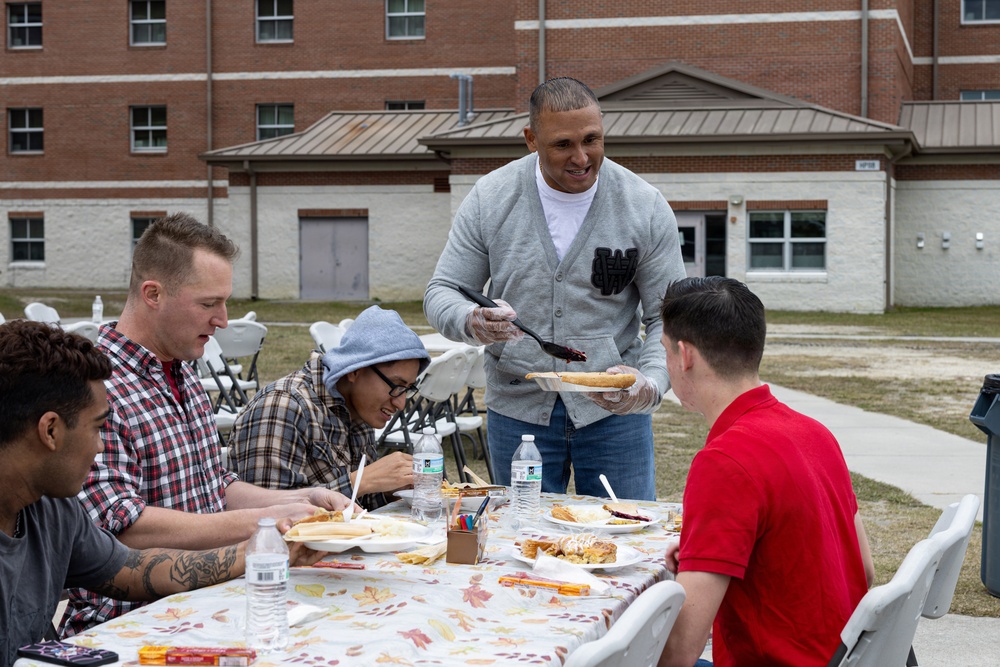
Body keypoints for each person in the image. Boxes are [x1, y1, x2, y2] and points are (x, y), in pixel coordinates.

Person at [63, 213, 353, 636]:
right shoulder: (96, 384)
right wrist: (268, 521)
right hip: (130, 624)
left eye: (224, 301)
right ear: (153, 294)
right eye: (208, 303)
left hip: (210, 601)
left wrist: (302, 498)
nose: (222, 319)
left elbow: (213, 486)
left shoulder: (181, 370)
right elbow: (120, 528)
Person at [0, 320, 326, 666]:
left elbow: (132, 569)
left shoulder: (52, 508)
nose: (100, 447)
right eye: (97, 427)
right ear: (50, 430)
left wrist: (258, 552)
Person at [423, 77, 685, 501]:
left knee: (627, 538)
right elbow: (442, 292)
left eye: (592, 140)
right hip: (517, 409)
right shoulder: (491, 198)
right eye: (563, 145)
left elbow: (668, 317)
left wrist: (650, 384)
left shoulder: (644, 205)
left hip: (615, 413)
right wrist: (472, 321)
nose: (581, 158)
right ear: (531, 139)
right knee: (519, 544)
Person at [654, 277, 875, 667]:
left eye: (664, 352)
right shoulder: (814, 432)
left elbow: (679, 652)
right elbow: (866, 570)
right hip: (843, 655)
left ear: (684, 356)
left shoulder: (724, 461)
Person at [228, 305, 430, 509]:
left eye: (408, 389)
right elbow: (264, 519)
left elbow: (358, 505)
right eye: (396, 386)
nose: (401, 402)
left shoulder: (358, 407)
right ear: (355, 371)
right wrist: (361, 480)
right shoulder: (282, 406)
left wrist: (390, 490)